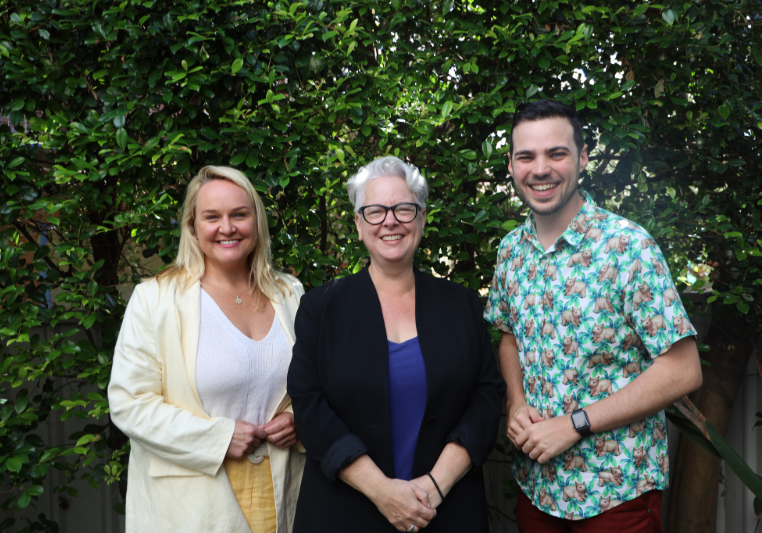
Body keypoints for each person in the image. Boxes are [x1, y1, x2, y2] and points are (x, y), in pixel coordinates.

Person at [484, 100, 703, 531]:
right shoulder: (511, 251)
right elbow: (508, 335)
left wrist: (575, 424)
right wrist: (516, 402)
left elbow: (683, 370)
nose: (540, 168)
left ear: (583, 158)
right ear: (511, 165)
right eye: (526, 156)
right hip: (537, 487)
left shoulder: (627, 247)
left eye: (557, 153)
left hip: (615, 492)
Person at [287, 156, 505, 532]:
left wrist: (435, 486)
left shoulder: (463, 305)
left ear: (421, 218)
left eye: (403, 209)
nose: (390, 221)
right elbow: (309, 407)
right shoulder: (320, 309)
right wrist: (383, 493)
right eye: (374, 211)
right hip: (345, 514)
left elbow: (487, 399)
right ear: (358, 225)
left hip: (445, 512)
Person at [108, 166, 305, 533]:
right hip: (192, 508)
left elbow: (316, 383)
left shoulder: (289, 294)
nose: (227, 228)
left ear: (256, 222)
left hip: (284, 495)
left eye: (239, 215)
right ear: (192, 226)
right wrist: (218, 437)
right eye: (212, 217)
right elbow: (129, 403)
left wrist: (299, 420)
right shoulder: (155, 299)